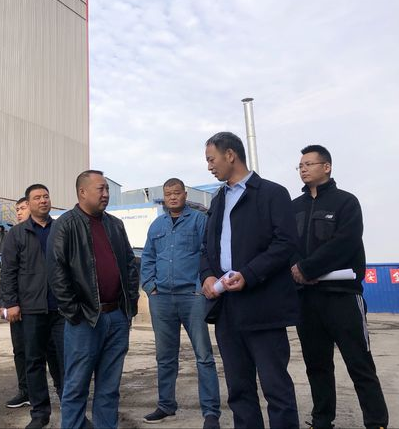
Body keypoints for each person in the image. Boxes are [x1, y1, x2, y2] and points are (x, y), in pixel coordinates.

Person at [200, 132, 300, 429]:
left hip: (263, 306)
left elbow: (285, 243)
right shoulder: (218, 200)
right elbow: (206, 247)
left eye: (211, 159)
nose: (209, 166)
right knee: (239, 390)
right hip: (227, 309)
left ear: (230, 155)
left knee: (275, 387)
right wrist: (207, 275)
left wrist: (249, 274)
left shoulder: (271, 193)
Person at [291, 145, 389, 429]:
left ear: (327, 167)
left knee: (359, 362)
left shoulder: (346, 202)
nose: (303, 169)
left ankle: (377, 422)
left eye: (309, 164)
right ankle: (322, 419)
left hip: (342, 297)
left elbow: (345, 243)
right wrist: (296, 269)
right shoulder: (294, 207)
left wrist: (308, 268)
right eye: (300, 165)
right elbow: (287, 244)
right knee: (316, 365)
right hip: (307, 299)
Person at [47, 170, 139, 429]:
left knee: (109, 389)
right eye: (101, 189)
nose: (106, 194)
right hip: (85, 320)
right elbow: (56, 271)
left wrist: (129, 306)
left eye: (107, 189)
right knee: (76, 387)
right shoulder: (66, 224)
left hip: (117, 317)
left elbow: (130, 265)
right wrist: (74, 312)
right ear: (82, 192)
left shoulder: (115, 225)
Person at [140, 178, 221, 428]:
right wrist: (150, 287)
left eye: (177, 193)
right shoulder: (157, 225)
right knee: (165, 356)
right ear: (164, 197)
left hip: (192, 297)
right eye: (168, 194)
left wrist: (200, 286)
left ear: (185, 195)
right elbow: (148, 257)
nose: (173, 197)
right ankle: (166, 405)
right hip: (161, 298)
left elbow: (209, 253)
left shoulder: (199, 221)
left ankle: (211, 412)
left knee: (203, 355)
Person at [0, 185, 64, 429]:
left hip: (59, 309)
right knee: (34, 362)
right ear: (30, 202)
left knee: (63, 362)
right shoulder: (17, 233)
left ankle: (72, 409)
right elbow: (8, 271)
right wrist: (11, 303)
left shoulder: (61, 229)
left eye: (46, 196)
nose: (43, 200)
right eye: (37, 198)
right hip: (31, 309)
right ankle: (40, 414)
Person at [3, 197, 31, 409]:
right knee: (20, 350)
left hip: (42, 305)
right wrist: (9, 302)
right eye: (17, 209)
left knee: (51, 352)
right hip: (19, 306)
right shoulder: (13, 235)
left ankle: (63, 391)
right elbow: (7, 272)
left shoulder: (50, 232)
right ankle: (25, 391)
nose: (19, 212)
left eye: (23, 208)